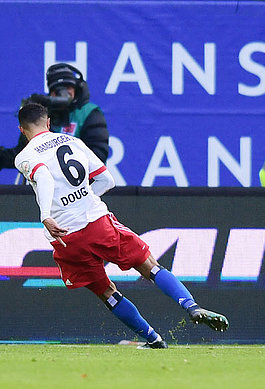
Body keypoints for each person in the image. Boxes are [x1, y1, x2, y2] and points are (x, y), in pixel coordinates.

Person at [15, 103, 228, 348]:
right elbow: (107, 180)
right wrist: (83, 198)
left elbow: (42, 175)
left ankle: (153, 339)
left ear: (22, 130)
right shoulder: (72, 142)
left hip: (65, 238)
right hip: (97, 223)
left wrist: (47, 215)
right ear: (48, 122)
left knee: (107, 293)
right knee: (149, 265)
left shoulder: (25, 156)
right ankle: (190, 305)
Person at [0, 63, 109, 175]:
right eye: (58, 90)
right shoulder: (43, 114)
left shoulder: (89, 112)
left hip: (82, 183)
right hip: (47, 183)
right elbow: (24, 153)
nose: (65, 93)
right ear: (51, 93)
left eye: (68, 87)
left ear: (76, 88)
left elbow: (98, 156)